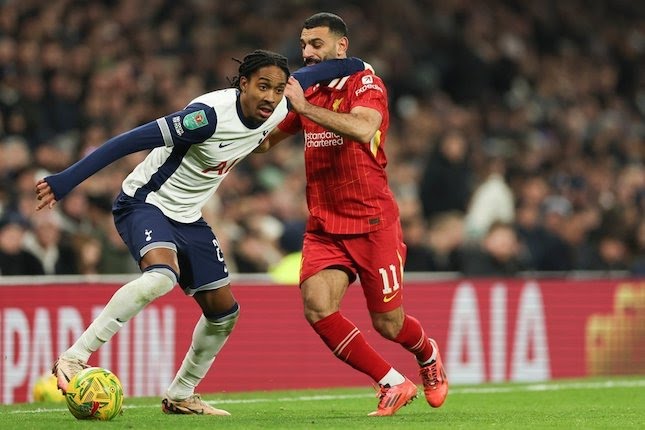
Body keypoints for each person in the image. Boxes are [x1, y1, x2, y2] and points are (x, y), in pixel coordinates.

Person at [35, 49, 366, 416]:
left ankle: (181, 395)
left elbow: (327, 70)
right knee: (160, 279)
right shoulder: (206, 117)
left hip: (188, 217)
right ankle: (73, 358)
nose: (270, 96)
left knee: (224, 313)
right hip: (145, 202)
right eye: (262, 86)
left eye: (276, 89)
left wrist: (362, 68)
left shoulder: (285, 103)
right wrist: (67, 181)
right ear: (243, 84)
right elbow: (128, 141)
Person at [257, 13, 448, 416]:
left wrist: (304, 106)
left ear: (341, 47)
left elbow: (363, 130)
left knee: (389, 325)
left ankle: (427, 353)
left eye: (316, 45)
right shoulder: (307, 92)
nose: (307, 53)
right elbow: (265, 143)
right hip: (326, 226)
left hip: (373, 223)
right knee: (317, 307)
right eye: (304, 44)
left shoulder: (365, 84)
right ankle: (392, 383)